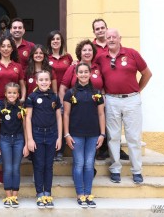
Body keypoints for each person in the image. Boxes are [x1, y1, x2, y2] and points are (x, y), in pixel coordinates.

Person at [95, 28, 152, 184]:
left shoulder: (132, 53)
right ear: (105, 40)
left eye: (114, 37)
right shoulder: (101, 58)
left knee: (133, 137)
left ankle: (137, 171)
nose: (111, 39)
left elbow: (147, 73)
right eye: (108, 37)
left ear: (120, 38)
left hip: (132, 100)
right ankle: (115, 169)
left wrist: (137, 90)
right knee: (113, 136)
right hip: (111, 100)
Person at [63, 63, 105, 208]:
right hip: (76, 134)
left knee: (89, 164)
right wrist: (67, 134)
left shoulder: (97, 93)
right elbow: (66, 115)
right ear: (76, 74)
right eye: (80, 72)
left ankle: (88, 194)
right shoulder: (70, 93)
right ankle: (80, 194)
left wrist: (102, 134)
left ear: (90, 73)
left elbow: (101, 114)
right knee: (79, 163)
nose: (83, 74)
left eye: (86, 72)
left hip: (93, 134)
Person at [90, 19, 129, 161]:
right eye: (97, 28)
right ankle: (101, 149)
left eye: (102, 28)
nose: (100, 30)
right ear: (93, 31)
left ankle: (117, 149)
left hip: (113, 91)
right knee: (100, 120)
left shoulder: (113, 43)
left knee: (114, 123)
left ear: (106, 29)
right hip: (99, 90)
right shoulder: (92, 47)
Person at [0, 35, 26, 184]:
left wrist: (22, 99)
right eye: (3, 46)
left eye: (8, 46)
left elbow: (22, 84)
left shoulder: (17, 66)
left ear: (12, 48)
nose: (5, 48)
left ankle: (12, 169)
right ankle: (0, 169)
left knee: (14, 133)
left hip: (14, 103)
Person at [26, 70, 62, 209]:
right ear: (37, 81)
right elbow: (28, 118)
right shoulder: (32, 97)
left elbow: (59, 117)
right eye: (41, 80)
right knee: (39, 165)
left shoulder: (54, 97)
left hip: (52, 135)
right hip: (37, 135)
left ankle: (48, 193)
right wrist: (30, 139)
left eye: (46, 79)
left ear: (50, 81)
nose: (44, 82)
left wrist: (59, 137)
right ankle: (39, 193)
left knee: (49, 166)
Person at [0, 82, 29, 208]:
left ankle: (15, 196)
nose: (12, 95)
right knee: (8, 169)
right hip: (5, 140)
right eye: (9, 93)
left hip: (19, 140)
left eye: (14, 93)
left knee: (16, 168)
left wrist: (26, 144)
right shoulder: (0, 107)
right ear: (5, 94)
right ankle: (8, 196)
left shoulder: (22, 108)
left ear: (18, 94)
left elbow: (25, 127)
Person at [46, 30, 72, 161]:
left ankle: (60, 150)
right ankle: (52, 149)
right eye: (53, 39)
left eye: (58, 39)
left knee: (62, 120)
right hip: (50, 94)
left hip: (66, 95)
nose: (55, 41)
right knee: (52, 121)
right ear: (49, 42)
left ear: (61, 41)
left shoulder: (68, 58)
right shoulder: (46, 58)